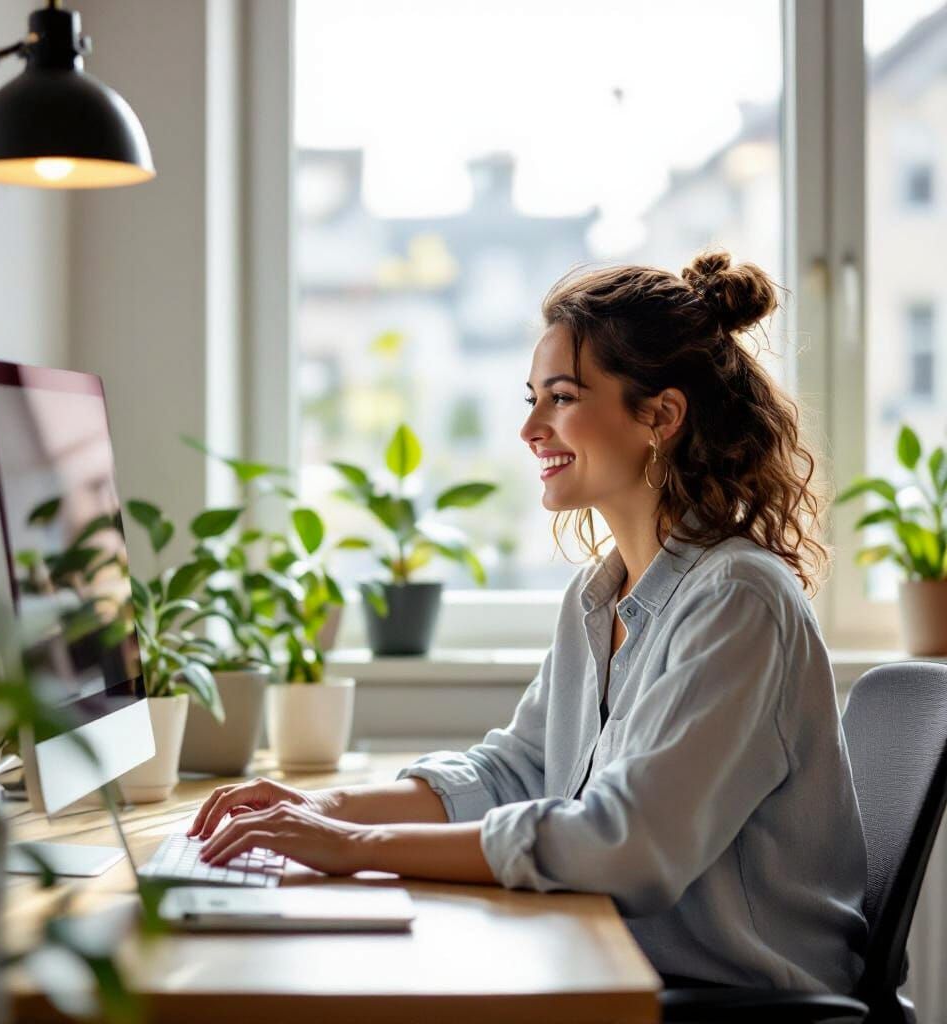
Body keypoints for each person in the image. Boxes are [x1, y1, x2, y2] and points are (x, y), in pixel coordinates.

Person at [188, 250, 869, 993]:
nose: (531, 430)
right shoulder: (599, 596)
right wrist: (322, 808)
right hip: (631, 972)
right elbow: (516, 771)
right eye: (532, 399)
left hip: (739, 1005)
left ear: (661, 416)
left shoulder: (739, 601)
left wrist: (353, 845)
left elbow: (626, 844)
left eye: (563, 397)